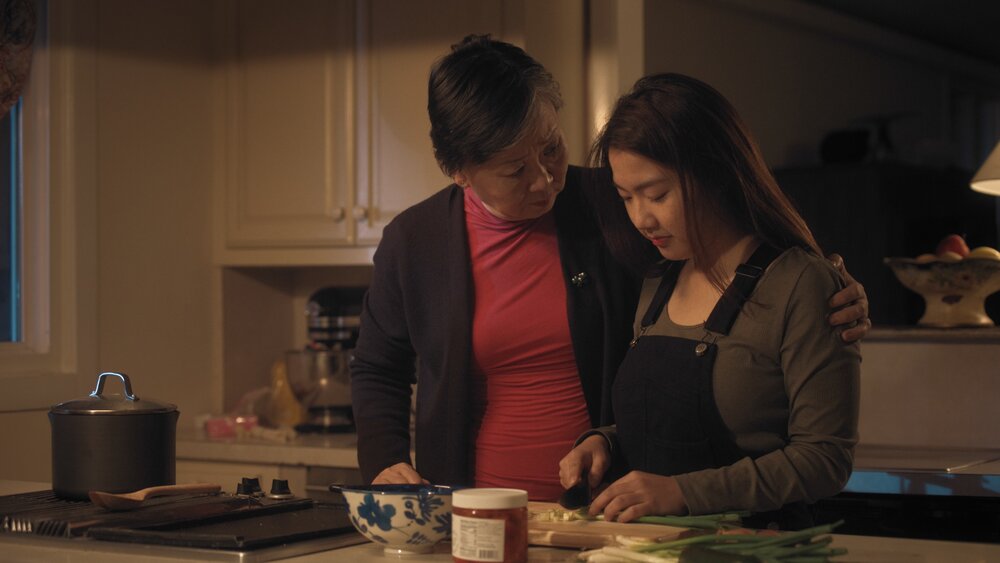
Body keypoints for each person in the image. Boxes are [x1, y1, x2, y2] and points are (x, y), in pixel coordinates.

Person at [350, 35, 869, 501]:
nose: (545, 180)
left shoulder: (612, 202)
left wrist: (833, 283)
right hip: (470, 505)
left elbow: (736, 258)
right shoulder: (414, 242)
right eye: (514, 171)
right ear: (459, 170)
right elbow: (378, 367)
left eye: (551, 148)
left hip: (609, 506)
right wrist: (386, 461)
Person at [558, 73, 862, 529]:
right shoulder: (657, 282)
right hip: (652, 552)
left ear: (715, 173)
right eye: (626, 198)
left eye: (657, 194)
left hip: (757, 549)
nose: (642, 217)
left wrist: (684, 494)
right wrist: (604, 442)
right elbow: (667, 429)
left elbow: (825, 458)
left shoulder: (800, 284)